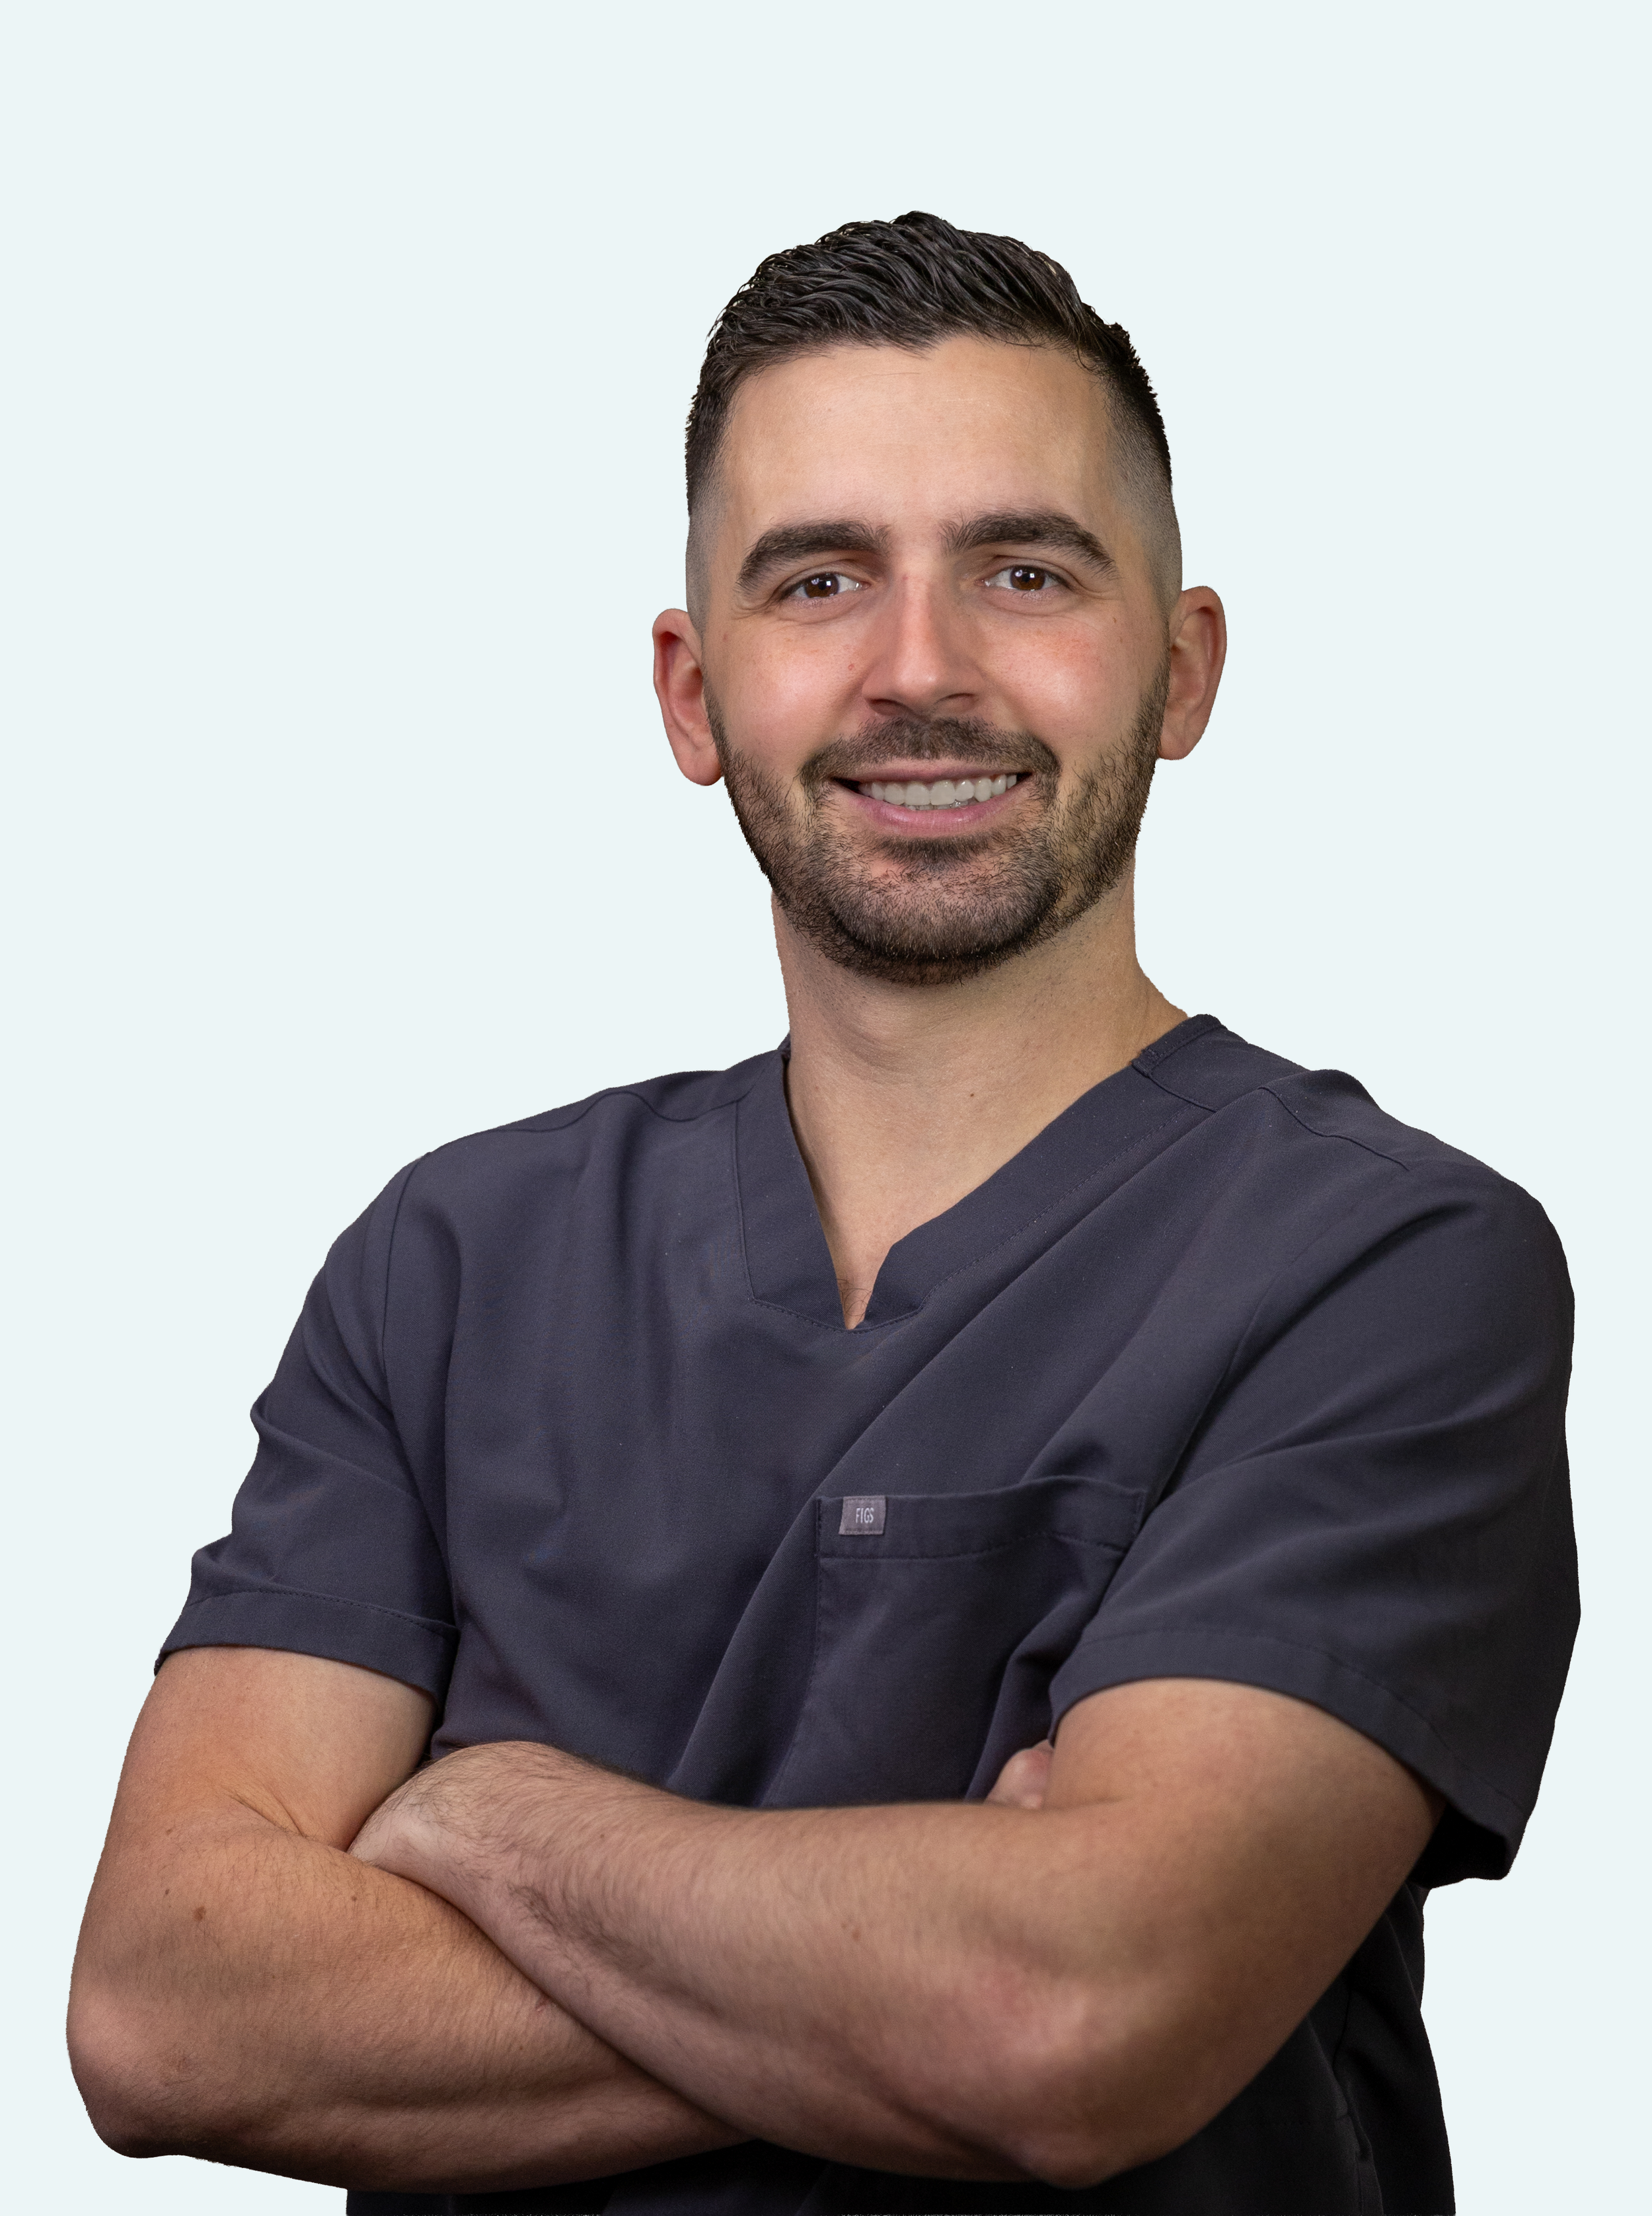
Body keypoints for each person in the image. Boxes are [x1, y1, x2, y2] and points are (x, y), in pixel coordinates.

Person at [67, 213, 1577, 2216]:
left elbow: (1070, 2018)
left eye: (1023, 570)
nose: (920, 669)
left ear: (1182, 666)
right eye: (818, 580)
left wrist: (490, 1819)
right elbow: (166, 2011)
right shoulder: (452, 1266)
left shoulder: (1381, 1270)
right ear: (695, 697)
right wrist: (916, 1954)